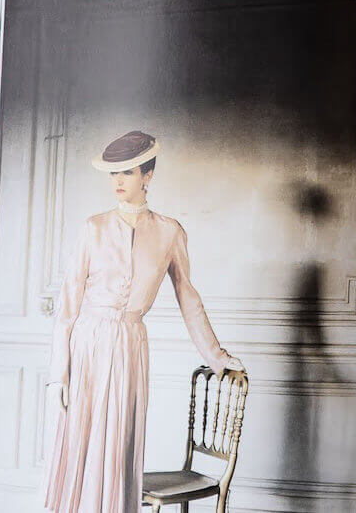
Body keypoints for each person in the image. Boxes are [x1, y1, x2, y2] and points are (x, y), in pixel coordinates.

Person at [43, 131, 243, 513]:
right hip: (89, 346)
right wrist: (59, 375)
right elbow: (67, 307)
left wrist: (217, 356)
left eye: (128, 172)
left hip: (132, 346)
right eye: (113, 174)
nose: (118, 182)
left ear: (148, 176)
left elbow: (189, 297)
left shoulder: (170, 232)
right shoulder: (93, 228)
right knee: (80, 447)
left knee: (119, 445)